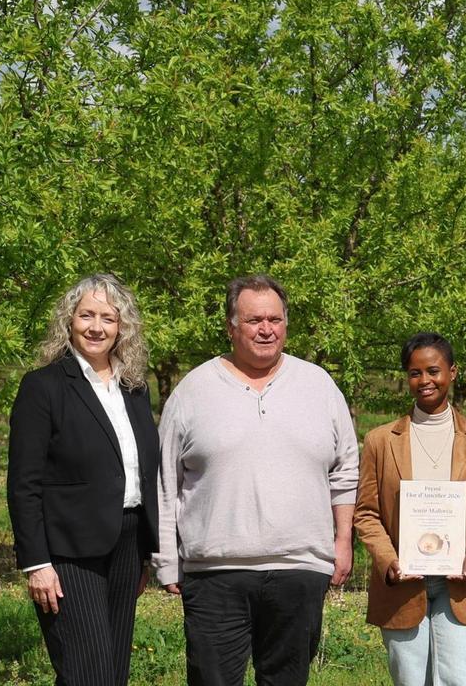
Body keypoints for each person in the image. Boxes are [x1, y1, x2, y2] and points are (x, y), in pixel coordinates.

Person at [153, 275, 359, 686]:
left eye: (275, 319)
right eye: (253, 320)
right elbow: (165, 481)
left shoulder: (319, 385)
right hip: (215, 573)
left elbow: (345, 469)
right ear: (231, 327)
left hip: (300, 568)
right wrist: (165, 560)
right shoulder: (194, 389)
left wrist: (342, 540)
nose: (266, 329)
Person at [7, 273, 160, 685]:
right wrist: (37, 562)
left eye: (108, 318)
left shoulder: (135, 388)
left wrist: (146, 550)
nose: (96, 327)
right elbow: (24, 482)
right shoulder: (44, 387)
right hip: (68, 552)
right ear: (68, 321)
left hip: (127, 543)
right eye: (86, 315)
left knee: (111, 673)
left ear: (121, 327)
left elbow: (144, 468)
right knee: (89, 674)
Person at [354, 332, 466, 686]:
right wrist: (388, 561)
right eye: (414, 373)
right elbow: (366, 513)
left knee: (461, 680)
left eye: (433, 371)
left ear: (452, 372)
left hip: (462, 584)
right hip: (402, 584)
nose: (425, 381)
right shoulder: (380, 441)